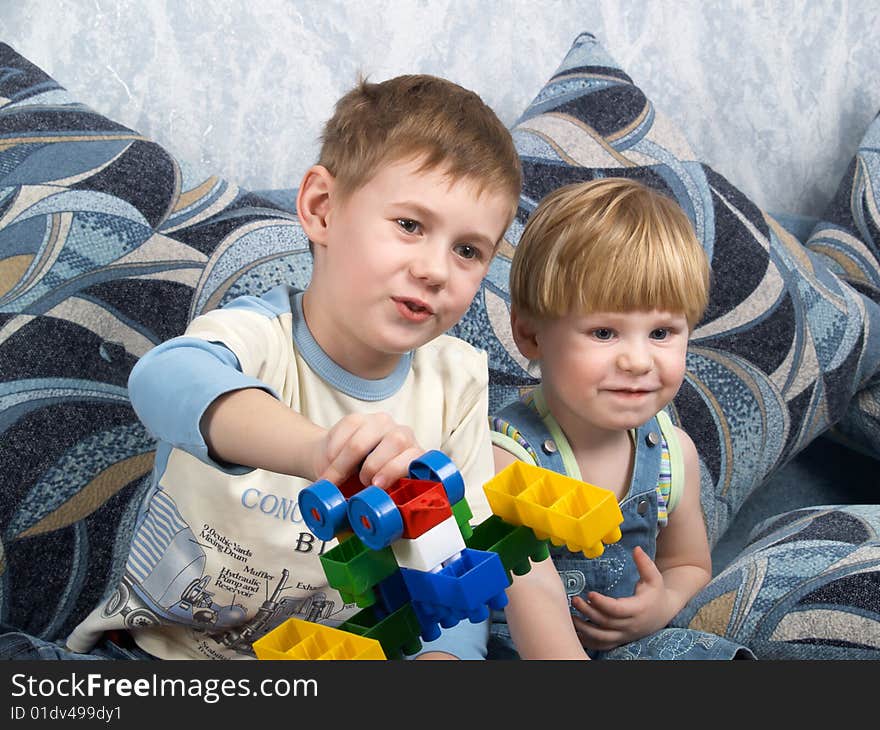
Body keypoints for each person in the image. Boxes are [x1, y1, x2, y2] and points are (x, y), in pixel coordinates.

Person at [60, 73, 522, 660]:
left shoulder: (456, 383)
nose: (436, 269)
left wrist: (444, 655)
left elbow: (454, 564)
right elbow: (163, 379)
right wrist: (319, 452)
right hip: (168, 659)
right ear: (321, 209)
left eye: (467, 250)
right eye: (410, 225)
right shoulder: (257, 337)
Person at [488, 177, 754, 660]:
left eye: (661, 332)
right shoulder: (507, 457)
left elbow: (689, 563)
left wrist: (662, 604)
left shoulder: (676, 456)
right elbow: (531, 595)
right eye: (605, 332)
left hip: (631, 646)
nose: (637, 360)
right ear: (530, 334)